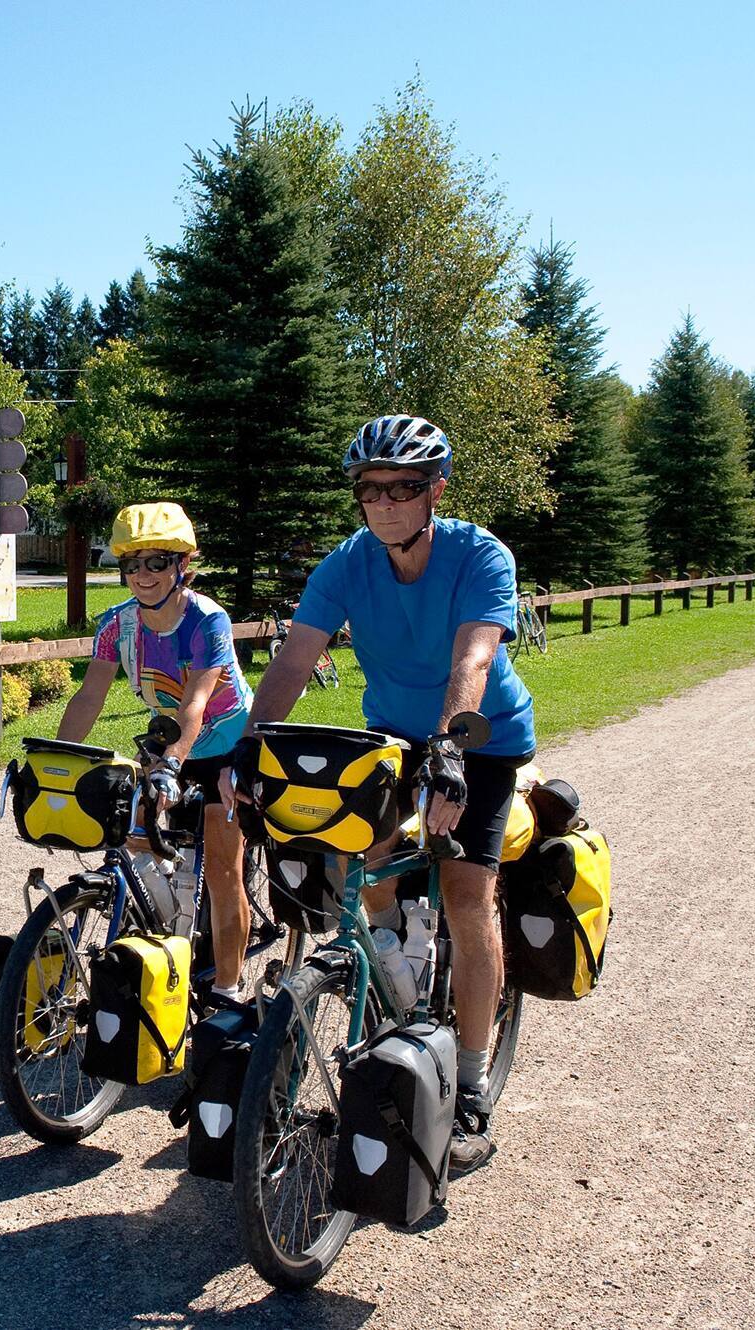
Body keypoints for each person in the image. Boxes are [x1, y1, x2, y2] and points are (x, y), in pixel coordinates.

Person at [233, 414, 535, 1168]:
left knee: (466, 891)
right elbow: (295, 660)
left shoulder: (480, 556)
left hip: (481, 740)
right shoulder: (347, 564)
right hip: (395, 735)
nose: (385, 503)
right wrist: (249, 745)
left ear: (436, 491)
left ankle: (471, 1085)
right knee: (355, 853)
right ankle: (400, 966)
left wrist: (451, 748)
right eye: (371, 490)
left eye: (403, 488)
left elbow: (473, 659)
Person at [55, 501, 254, 1005]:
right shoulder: (117, 625)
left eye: (157, 562)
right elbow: (89, 697)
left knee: (223, 868)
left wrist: (171, 766)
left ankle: (227, 993)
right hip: (168, 741)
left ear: (182, 564)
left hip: (226, 748)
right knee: (134, 836)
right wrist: (57, 758)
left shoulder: (207, 620)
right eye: (132, 564)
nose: (142, 575)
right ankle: (168, 934)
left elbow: (196, 703)